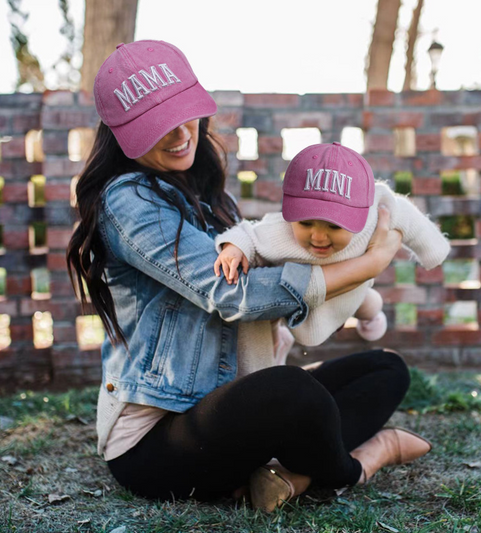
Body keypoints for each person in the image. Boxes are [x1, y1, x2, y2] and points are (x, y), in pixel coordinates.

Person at [66, 39, 431, 512]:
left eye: (185, 114)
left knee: (385, 368)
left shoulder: (207, 196)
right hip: (156, 442)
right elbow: (229, 294)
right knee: (291, 393)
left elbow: (272, 264)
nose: (180, 134)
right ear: (123, 133)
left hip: (231, 405)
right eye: (157, 127)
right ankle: (360, 462)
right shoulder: (126, 201)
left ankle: (287, 473)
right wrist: (370, 264)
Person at [214, 143, 450, 371]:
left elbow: (407, 215)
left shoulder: (375, 215)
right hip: (308, 302)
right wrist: (235, 247)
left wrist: (433, 250)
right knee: (283, 325)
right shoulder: (280, 232)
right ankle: (280, 341)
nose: (318, 237)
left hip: (354, 290)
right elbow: (249, 233)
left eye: (334, 227)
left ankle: (371, 320)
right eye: (306, 223)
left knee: (370, 304)